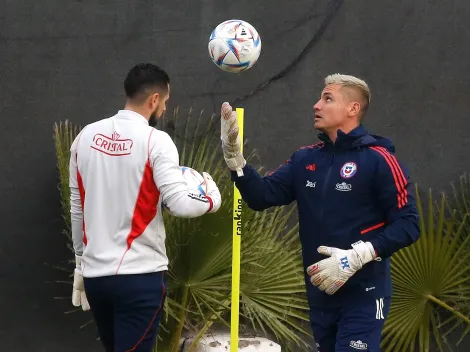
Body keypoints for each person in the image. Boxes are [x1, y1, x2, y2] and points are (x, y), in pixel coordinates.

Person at [220, 74, 420, 352]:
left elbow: (408, 225)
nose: (316, 105)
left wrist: (359, 255)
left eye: (327, 99)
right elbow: (262, 196)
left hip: (365, 292)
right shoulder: (305, 158)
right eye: (319, 98)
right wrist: (236, 162)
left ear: (352, 109)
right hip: (321, 291)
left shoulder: (379, 159)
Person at [69, 63, 222, 352]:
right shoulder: (156, 140)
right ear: (154, 99)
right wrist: (212, 198)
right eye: (165, 102)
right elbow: (179, 203)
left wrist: (79, 262)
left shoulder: (85, 137)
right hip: (139, 278)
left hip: (95, 279)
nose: (164, 109)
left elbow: (78, 207)